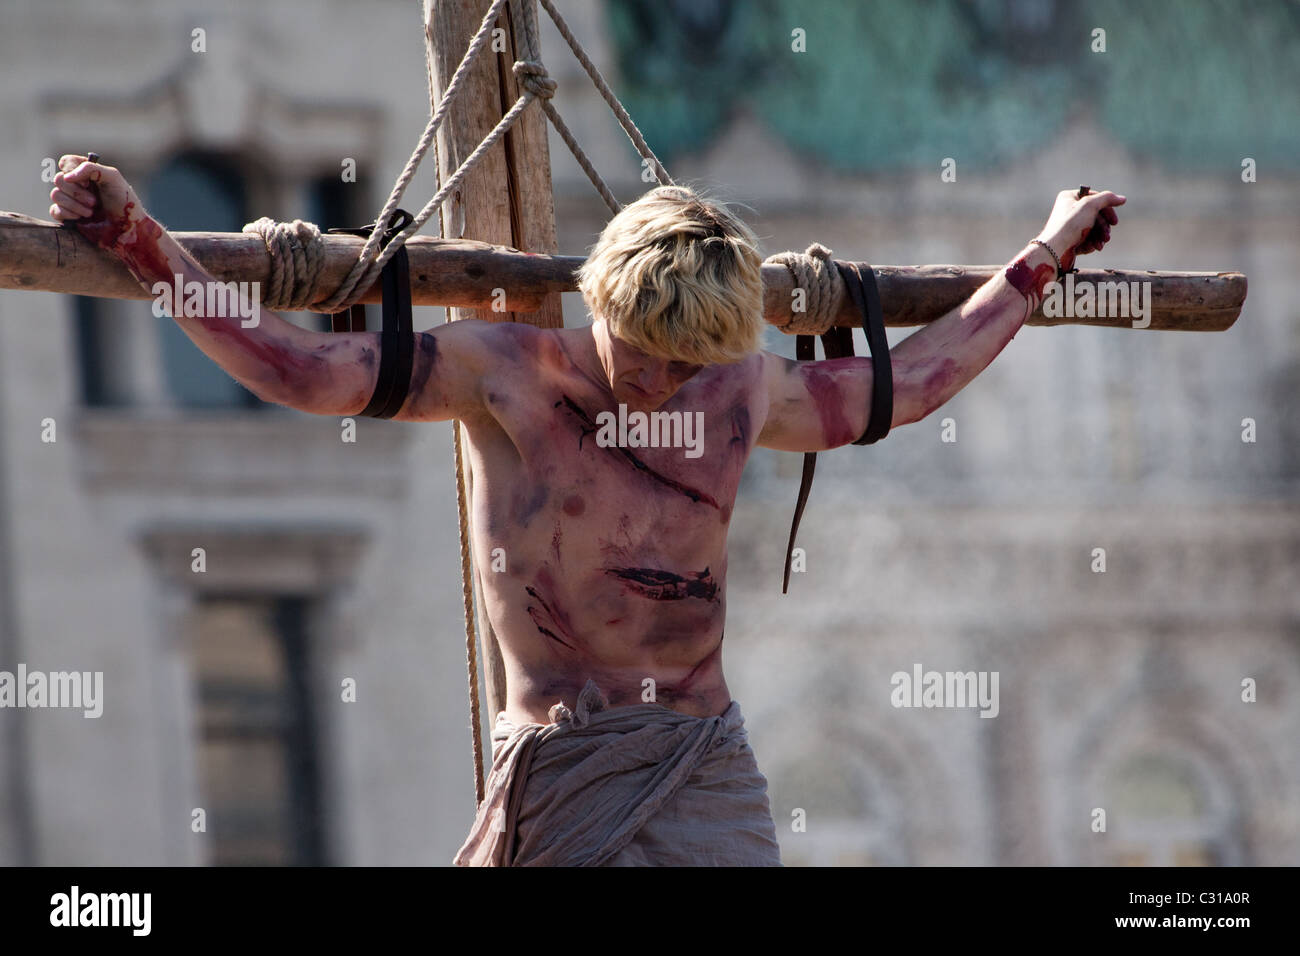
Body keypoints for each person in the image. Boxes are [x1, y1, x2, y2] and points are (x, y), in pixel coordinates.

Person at [49, 155, 1123, 865]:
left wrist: (1039, 256)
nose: (664, 384)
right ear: (603, 302)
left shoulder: (740, 389)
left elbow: (918, 377)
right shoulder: (500, 373)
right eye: (649, 354)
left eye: (691, 361)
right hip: (562, 772)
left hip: (700, 764)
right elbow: (302, 368)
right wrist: (148, 242)